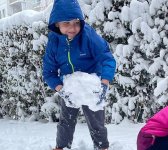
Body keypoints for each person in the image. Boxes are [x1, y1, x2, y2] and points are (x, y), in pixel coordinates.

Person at [42, 0, 116, 150]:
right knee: (66, 122)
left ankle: (102, 147)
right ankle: (61, 147)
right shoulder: (54, 42)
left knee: (96, 122)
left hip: (91, 85)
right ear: (57, 24)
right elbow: (48, 72)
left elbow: (107, 57)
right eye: (66, 23)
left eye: (76, 23)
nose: (72, 28)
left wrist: (104, 82)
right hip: (69, 87)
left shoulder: (88, 35)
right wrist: (60, 89)